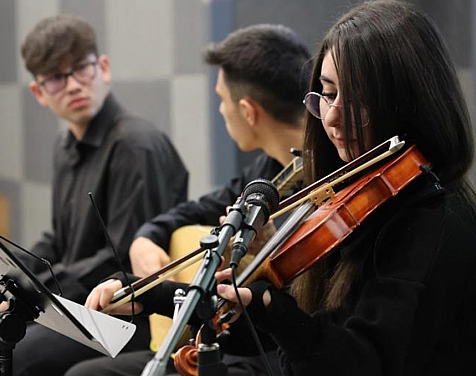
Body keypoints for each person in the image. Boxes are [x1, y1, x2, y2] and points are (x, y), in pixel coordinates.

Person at [86, 0, 476, 376]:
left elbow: (361, 362)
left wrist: (273, 304)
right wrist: (150, 297)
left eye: (356, 98)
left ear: (408, 101)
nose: (332, 119)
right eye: (327, 93)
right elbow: (261, 336)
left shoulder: (435, 220)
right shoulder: (358, 195)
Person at [0, 15, 189, 376]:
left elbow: (123, 260)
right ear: (39, 93)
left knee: (8, 356)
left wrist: (24, 291)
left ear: (103, 68)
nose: (74, 85)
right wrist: (1, 282)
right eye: (57, 78)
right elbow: (58, 241)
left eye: (82, 69)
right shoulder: (66, 144)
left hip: (129, 316)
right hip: (77, 304)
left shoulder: (136, 146)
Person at [66, 24, 311, 376]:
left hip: (269, 352)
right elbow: (196, 210)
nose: (221, 111)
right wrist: (147, 236)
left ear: (247, 111)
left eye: (221, 101)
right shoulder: (266, 170)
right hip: (228, 336)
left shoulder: (326, 180)